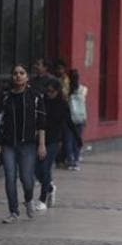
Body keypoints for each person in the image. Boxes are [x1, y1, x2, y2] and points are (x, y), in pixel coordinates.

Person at [0, 64, 46, 223]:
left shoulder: (35, 97)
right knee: (10, 177)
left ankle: (29, 199)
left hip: (28, 144)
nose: (18, 76)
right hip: (8, 144)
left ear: (27, 77)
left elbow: (41, 123)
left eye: (22, 73)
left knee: (27, 179)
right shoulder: (6, 97)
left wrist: (41, 144)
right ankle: (13, 211)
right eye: (15, 73)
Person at [35, 78, 81, 211]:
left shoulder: (62, 104)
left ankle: (42, 199)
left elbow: (69, 122)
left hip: (54, 140)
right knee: (36, 169)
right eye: (47, 91)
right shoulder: (41, 102)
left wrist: (77, 139)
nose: (49, 93)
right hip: (39, 139)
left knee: (45, 168)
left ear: (57, 91)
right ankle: (50, 187)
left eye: (52, 91)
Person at [65, 69, 87, 171]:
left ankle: (70, 160)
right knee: (77, 140)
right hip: (80, 117)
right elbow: (83, 105)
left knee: (69, 140)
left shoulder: (67, 90)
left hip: (69, 117)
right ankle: (76, 160)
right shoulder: (83, 89)